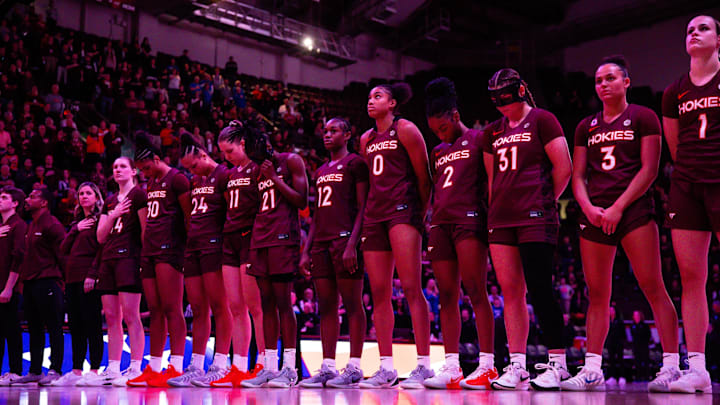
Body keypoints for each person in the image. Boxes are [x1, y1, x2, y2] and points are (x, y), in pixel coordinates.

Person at [562, 55, 679, 392]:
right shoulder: (585, 126)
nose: (603, 84)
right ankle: (592, 369)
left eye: (610, 78)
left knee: (654, 287)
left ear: (626, 82)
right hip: (595, 214)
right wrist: (587, 207)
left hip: (633, 210)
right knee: (597, 294)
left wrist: (617, 208)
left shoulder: (643, 116)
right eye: (598, 80)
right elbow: (578, 175)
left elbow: (649, 170)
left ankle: (671, 365)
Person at [482, 69, 572, 391]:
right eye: (495, 99)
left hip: (536, 215)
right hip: (501, 220)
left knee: (540, 289)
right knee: (510, 293)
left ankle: (558, 364)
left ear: (520, 90)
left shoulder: (544, 120)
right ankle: (517, 365)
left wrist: (545, 201)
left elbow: (564, 168)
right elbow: (493, 181)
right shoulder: (492, 132)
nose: (501, 104)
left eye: (505, 96)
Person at [420, 78, 497, 390]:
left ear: (454, 116)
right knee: (447, 295)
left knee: (476, 290)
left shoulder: (480, 139)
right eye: (434, 130)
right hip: (440, 225)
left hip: (470, 220)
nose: (439, 134)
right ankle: (452, 366)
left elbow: (492, 183)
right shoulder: (438, 151)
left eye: (442, 127)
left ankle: (488, 364)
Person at [357, 82, 434, 389]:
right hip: (374, 216)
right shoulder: (365, 139)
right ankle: (386, 367)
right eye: (369, 97)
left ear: (392, 103)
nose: (370, 101)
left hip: (403, 213)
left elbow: (424, 176)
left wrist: (420, 215)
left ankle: (424, 365)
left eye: (377, 96)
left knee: (412, 287)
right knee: (378, 292)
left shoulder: (406, 130)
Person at [660, 14, 720, 394]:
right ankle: (697, 369)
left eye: (703, 28)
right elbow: (675, 146)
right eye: (689, 30)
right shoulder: (674, 92)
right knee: (691, 278)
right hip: (686, 185)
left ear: (719, 39)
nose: (694, 33)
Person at [298, 118, 369, 388]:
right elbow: (316, 215)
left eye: (334, 130)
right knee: (326, 306)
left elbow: (363, 207)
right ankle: (327, 367)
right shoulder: (321, 169)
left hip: (344, 242)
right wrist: (306, 250)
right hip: (321, 244)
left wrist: (353, 243)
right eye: (325, 131)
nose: (328, 135)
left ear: (348, 134)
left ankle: (354, 366)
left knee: (352, 305)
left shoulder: (356, 164)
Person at [241, 125, 309, 389]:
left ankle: (289, 368)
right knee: (266, 303)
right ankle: (269, 367)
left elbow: (301, 201)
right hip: (260, 239)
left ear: (267, 143)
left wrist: (275, 178)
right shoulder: (255, 171)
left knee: (283, 302)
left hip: (283, 238)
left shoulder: (290, 160)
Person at [167, 133, 233, 387]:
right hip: (193, 247)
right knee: (197, 309)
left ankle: (220, 364)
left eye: (194, 165)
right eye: (187, 168)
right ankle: (195, 365)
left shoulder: (224, 175)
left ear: (203, 155)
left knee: (219, 306)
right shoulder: (196, 180)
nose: (192, 171)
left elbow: (231, 213)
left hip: (215, 246)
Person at [128, 134, 191, 387]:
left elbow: (188, 218)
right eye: (140, 171)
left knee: (172, 308)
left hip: (171, 249)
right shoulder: (151, 183)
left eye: (146, 168)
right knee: (154, 310)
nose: (144, 174)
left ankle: (175, 366)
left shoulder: (177, 178)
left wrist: (186, 251)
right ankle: (154, 367)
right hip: (150, 250)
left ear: (157, 159)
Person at [211, 121, 267, 387]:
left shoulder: (259, 169)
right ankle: (239, 366)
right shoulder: (230, 174)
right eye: (223, 152)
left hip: (250, 239)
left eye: (230, 150)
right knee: (235, 307)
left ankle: (264, 365)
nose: (226, 157)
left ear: (243, 143)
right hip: (229, 240)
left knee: (256, 307)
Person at [83, 157, 147, 387]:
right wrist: (114, 213)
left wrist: (144, 260)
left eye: (122, 166)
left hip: (129, 257)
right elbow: (100, 236)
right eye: (115, 167)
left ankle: (136, 367)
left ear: (133, 171)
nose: (118, 170)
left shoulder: (139, 195)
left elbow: (145, 231)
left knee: (131, 315)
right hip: (108, 259)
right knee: (111, 317)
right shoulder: (110, 201)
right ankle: (112, 367)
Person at [12, 187, 66, 386]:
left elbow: (63, 256)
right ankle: (35, 370)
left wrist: (62, 283)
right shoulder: (30, 225)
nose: (27, 199)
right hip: (30, 282)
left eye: (32, 197)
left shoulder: (52, 225)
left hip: (48, 281)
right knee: (34, 328)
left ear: (44, 203)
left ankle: (55, 369)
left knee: (54, 327)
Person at [53, 183, 105, 386]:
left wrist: (93, 274)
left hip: (89, 279)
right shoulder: (77, 223)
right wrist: (75, 229)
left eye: (88, 193)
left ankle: (94, 369)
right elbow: (63, 248)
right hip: (72, 279)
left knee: (92, 324)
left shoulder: (100, 219)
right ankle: (76, 370)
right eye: (81, 193)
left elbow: (101, 249)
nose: (84, 196)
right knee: (76, 326)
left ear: (96, 197)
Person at [0, 187, 27, 386]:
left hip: (8, 287)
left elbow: (18, 258)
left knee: (11, 329)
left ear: (15, 203)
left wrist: (9, 287)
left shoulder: (18, 225)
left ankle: (16, 371)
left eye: (4, 198)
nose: (0, 200)